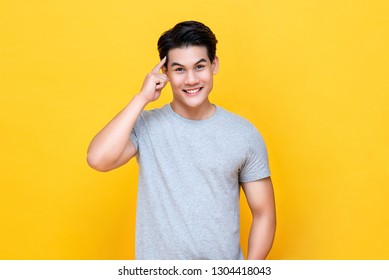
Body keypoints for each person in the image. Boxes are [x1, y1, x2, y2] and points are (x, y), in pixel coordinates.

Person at [87, 21, 276, 260]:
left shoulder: (243, 134)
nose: (190, 79)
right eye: (179, 69)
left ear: (214, 65)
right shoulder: (146, 125)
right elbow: (98, 159)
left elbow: (264, 213)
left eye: (199, 66)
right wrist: (142, 98)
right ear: (164, 73)